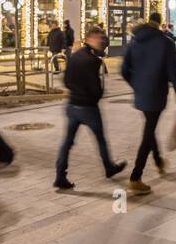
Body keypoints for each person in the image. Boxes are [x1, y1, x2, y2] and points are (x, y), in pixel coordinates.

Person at [53, 25, 127, 190]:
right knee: (100, 139)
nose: (101, 41)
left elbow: (65, 81)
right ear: (90, 39)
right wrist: (96, 95)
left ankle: (60, 175)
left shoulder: (74, 56)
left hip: (72, 105)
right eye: (99, 38)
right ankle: (109, 167)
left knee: (67, 142)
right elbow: (96, 89)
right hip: (88, 108)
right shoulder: (93, 61)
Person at [121, 12, 176, 195]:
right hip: (157, 94)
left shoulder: (135, 41)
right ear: (159, 24)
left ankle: (158, 162)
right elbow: (175, 74)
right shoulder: (166, 43)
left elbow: (124, 70)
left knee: (150, 127)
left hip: (141, 94)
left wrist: (136, 85)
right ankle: (136, 177)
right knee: (148, 132)